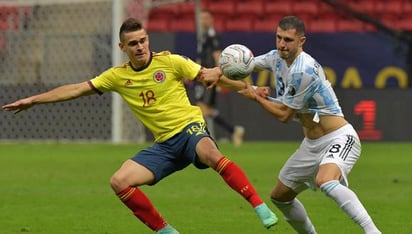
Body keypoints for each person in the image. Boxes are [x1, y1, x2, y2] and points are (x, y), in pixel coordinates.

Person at [1, 18, 278, 233]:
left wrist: (250, 87)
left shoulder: (171, 62)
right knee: (119, 182)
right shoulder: (116, 76)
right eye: (133, 43)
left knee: (212, 154)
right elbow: (75, 89)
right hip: (165, 146)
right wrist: (34, 100)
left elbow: (209, 77)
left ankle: (259, 206)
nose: (141, 46)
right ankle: (166, 230)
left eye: (143, 40)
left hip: (189, 130)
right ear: (123, 48)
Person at [201, 16, 381, 234]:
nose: (282, 44)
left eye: (288, 39)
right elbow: (244, 66)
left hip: (339, 137)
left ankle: (373, 232)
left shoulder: (303, 70)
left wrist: (257, 96)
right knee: (280, 197)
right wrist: (217, 71)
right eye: (278, 38)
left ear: (301, 41)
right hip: (311, 144)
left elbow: (285, 115)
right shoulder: (276, 58)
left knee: (325, 180)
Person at [194, 9, 245, 146]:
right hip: (202, 75)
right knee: (202, 108)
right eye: (202, 18)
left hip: (210, 76)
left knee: (204, 109)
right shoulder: (203, 35)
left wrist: (220, 75)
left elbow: (217, 55)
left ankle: (228, 131)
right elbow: (201, 56)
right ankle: (232, 131)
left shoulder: (213, 35)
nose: (203, 21)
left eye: (206, 18)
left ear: (211, 20)